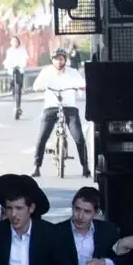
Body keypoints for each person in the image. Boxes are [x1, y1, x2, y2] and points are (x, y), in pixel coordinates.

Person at [55, 187, 119, 265]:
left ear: (96, 213)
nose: (80, 216)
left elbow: (119, 259)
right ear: (72, 207)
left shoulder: (107, 230)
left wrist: (104, 263)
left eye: (87, 212)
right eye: (77, 209)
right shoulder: (58, 231)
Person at [31, 49, 89, 178]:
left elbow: (82, 84)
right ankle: (36, 166)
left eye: (61, 59)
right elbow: (36, 85)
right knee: (42, 137)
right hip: (51, 107)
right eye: (56, 59)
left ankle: (85, 167)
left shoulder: (72, 72)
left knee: (79, 138)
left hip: (69, 108)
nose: (59, 61)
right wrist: (41, 87)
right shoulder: (46, 72)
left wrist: (81, 86)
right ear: (52, 60)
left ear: (65, 60)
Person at [4, 35, 29, 120]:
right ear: (11, 43)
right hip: (11, 71)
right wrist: (8, 66)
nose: (14, 43)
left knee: (18, 89)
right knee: (13, 89)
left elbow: (25, 59)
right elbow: (7, 60)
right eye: (13, 41)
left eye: (16, 41)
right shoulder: (9, 51)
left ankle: (18, 107)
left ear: (18, 42)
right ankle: (15, 103)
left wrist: (20, 65)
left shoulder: (22, 50)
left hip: (19, 71)